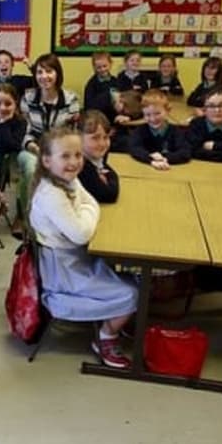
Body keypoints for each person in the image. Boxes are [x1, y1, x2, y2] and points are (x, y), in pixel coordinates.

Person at [28, 126, 137, 369]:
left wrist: (86, 212)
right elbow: (81, 232)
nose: (74, 162)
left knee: (136, 280)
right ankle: (106, 338)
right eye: (65, 156)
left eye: (77, 155)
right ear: (46, 161)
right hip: (63, 274)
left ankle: (112, 321)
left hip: (76, 261)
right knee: (133, 293)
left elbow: (90, 203)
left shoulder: (68, 180)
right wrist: (88, 212)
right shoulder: (51, 194)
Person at [19, 53, 81, 183]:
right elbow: (24, 132)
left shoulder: (71, 100)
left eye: (49, 71)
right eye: (39, 72)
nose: (44, 76)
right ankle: (31, 203)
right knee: (33, 170)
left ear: (57, 74)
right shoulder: (27, 98)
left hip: (62, 150)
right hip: (32, 149)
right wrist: (37, 150)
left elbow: (73, 133)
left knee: (67, 172)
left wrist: (58, 155)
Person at [128, 90, 191, 169]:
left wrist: (163, 158)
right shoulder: (139, 131)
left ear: (167, 111)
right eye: (147, 115)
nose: (153, 119)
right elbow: (134, 148)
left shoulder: (176, 132)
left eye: (157, 113)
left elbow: (185, 152)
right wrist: (150, 159)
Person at [77, 110, 119, 203]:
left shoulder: (94, 157)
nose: (102, 143)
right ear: (79, 138)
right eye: (95, 138)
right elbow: (109, 195)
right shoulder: (81, 165)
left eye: (106, 137)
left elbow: (107, 168)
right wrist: (110, 176)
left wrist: (108, 176)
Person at [87, 89, 143, 153]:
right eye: (123, 112)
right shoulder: (101, 102)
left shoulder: (120, 101)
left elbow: (145, 120)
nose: (122, 114)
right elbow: (90, 124)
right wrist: (106, 131)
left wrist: (128, 122)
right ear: (121, 101)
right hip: (102, 137)